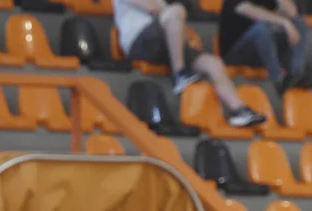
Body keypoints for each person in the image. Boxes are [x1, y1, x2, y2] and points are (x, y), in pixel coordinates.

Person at [114, 0, 266, 127]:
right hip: (138, 42)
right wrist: (173, 14)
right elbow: (153, 8)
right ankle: (179, 74)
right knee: (176, 10)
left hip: (163, 44)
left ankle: (238, 110)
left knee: (213, 62)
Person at [218, 0, 310, 94]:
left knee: (299, 23)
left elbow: (292, 13)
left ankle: (295, 74)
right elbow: (247, 10)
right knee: (261, 28)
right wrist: (284, 22)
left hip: (264, 50)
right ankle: (278, 80)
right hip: (235, 53)